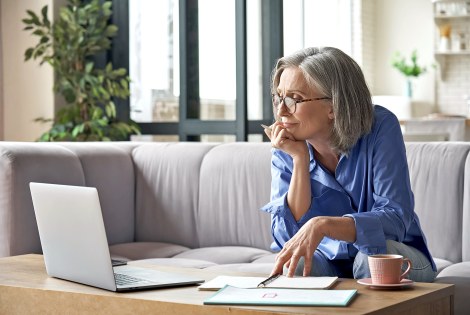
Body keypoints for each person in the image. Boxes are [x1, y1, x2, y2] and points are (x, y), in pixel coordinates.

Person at [261, 46, 437, 282]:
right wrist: (300, 161)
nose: (281, 110)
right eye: (279, 97)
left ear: (333, 106)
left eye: (295, 99)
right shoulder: (287, 145)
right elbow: (287, 239)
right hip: (329, 260)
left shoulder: (381, 127)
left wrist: (323, 225)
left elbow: (396, 219)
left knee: (371, 258)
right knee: (297, 265)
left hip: (396, 255)